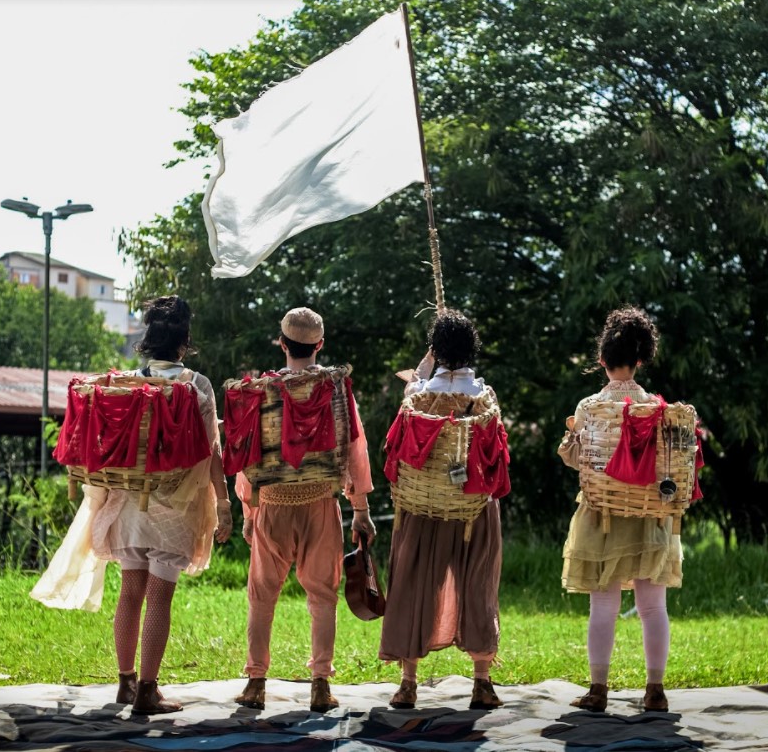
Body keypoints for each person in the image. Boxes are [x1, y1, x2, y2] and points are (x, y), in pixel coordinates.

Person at [87, 295, 233, 714]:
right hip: (175, 506)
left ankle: (125, 683)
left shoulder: (128, 382)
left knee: (130, 592)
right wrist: (223, 503)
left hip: (129, 503)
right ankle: (148, 692)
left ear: (148, 337)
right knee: (160, 597)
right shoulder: (195, 384)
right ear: (185, 339)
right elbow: (212, 451)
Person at [232, 307, 376, 713]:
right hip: (320, 503)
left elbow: (248, 451)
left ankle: (256, 683)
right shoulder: (335, 388)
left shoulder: (263, 390)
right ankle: (319, 685)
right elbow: (355, 447)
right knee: (323, 596)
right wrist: (360, 509)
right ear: (320, 345)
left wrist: (247, 509)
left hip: (272, 505)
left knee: (261, 595)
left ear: (282, 344)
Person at [380, 309, 508, 710]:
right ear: (472, 351)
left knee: (414, 585)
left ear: (435, 350)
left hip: (423, 509)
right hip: (474, 510)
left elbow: (396, 449)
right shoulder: (484, 397)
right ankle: (482, 682)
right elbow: (497, 457)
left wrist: (424, 368)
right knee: (478, 585)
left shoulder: (417, 397)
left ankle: (408, 683)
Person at [557, 306, 680, 713]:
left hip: (603, 518)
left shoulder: (590, 407)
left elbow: (579, 460)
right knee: (652, 606)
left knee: (604, 606)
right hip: (649, 518)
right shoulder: (657, 410)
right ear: (641, 359)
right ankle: (655, 690)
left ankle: (598, 689)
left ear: (602, 360)